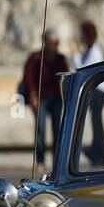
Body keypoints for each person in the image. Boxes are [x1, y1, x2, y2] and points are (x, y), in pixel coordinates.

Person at [22, 29, 69, 167]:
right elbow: (28, 76)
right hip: (41, 98)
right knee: (40, 130)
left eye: (56, 43)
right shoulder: (35, 57)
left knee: (58, 130)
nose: (54, 45)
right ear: (45, 42)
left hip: (56, 98)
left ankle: (57, 162)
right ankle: (40, 161)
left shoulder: (61, 59)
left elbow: (66, 77)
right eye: (52, 42)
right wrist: (32, 94)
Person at [72, 19, 104, 167]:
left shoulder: (94, 51)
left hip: (98, 91)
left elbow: (82, 69)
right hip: (95, 91)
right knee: (96, 122)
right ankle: (97, 152)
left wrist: (74, 53)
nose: (80, 38)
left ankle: (99, 153)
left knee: (97, 122)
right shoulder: (90, 50)